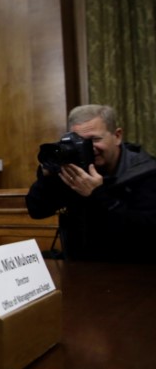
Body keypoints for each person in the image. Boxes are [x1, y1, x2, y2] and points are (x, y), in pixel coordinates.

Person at [26, 104, 156, 264]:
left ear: (117, 136)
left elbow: (146, 233)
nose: (87, 148)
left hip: (133, 273)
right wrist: (48, 177)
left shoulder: (146, 172)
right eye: (79, 141)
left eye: (94, 139)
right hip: (79, 270)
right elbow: (36, 210)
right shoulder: (75, 170)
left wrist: (97, 195)